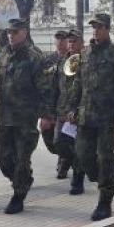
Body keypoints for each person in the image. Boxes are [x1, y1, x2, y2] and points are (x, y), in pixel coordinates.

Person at [67, 12, 114, 221]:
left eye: (100, 27)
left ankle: (105, 199)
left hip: (106, 118)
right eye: (93, 26)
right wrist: (72, 107)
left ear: (108, 29)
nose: (95, 30)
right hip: (85, 116)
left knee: (105, 159)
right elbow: (78, 83)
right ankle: (102, 180)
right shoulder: (84, 54)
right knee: (83, 154)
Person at [0, 19, 54, 215]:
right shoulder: (2, 54)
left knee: (22, 158)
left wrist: (46, 116)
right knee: (0, 154)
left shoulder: (35, 58)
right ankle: (22, 179)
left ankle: (18, 195)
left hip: (25, 118)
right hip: (3, 115)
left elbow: (45, 89)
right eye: (9, 31)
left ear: (25, 33)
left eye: (15, 31)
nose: (11, 35)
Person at [54, 27, 85, 195]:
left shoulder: (87, 60)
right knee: (58, 142)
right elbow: (55, 86)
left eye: (74, 41)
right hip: (62, 110)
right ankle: (78, 165)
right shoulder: (62, 60)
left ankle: (78, 178)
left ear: (82, 42)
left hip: (79, 111)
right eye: (70, 41)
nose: (71, 44)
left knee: (78, 145)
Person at [42, 29, 70, 178]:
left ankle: (64, 162)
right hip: (49, 105)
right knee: (48, 138)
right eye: (58, 39)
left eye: (63, 39)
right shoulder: (47, 60)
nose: (60, 41)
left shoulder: (72, 59)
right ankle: (64, 156)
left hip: (64, 105)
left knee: (61, 138)